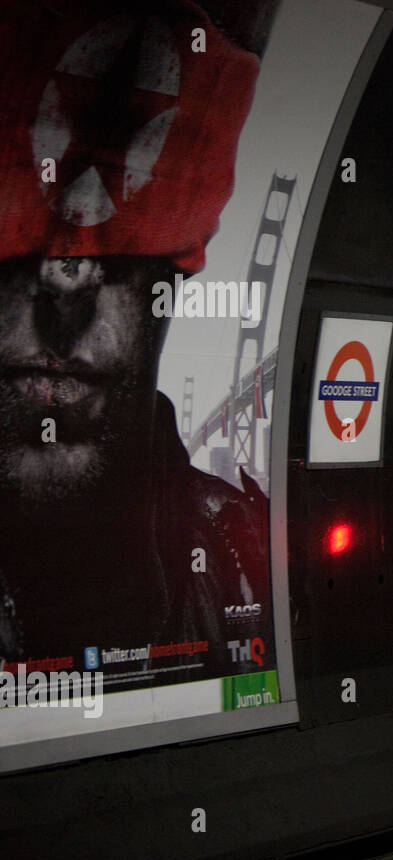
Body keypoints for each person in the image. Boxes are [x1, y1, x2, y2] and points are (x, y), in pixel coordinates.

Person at [0, 0, 278, 687]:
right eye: (16, 245)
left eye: (125, 253)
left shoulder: (247, 555)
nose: (65, 288)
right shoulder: (240, 558)